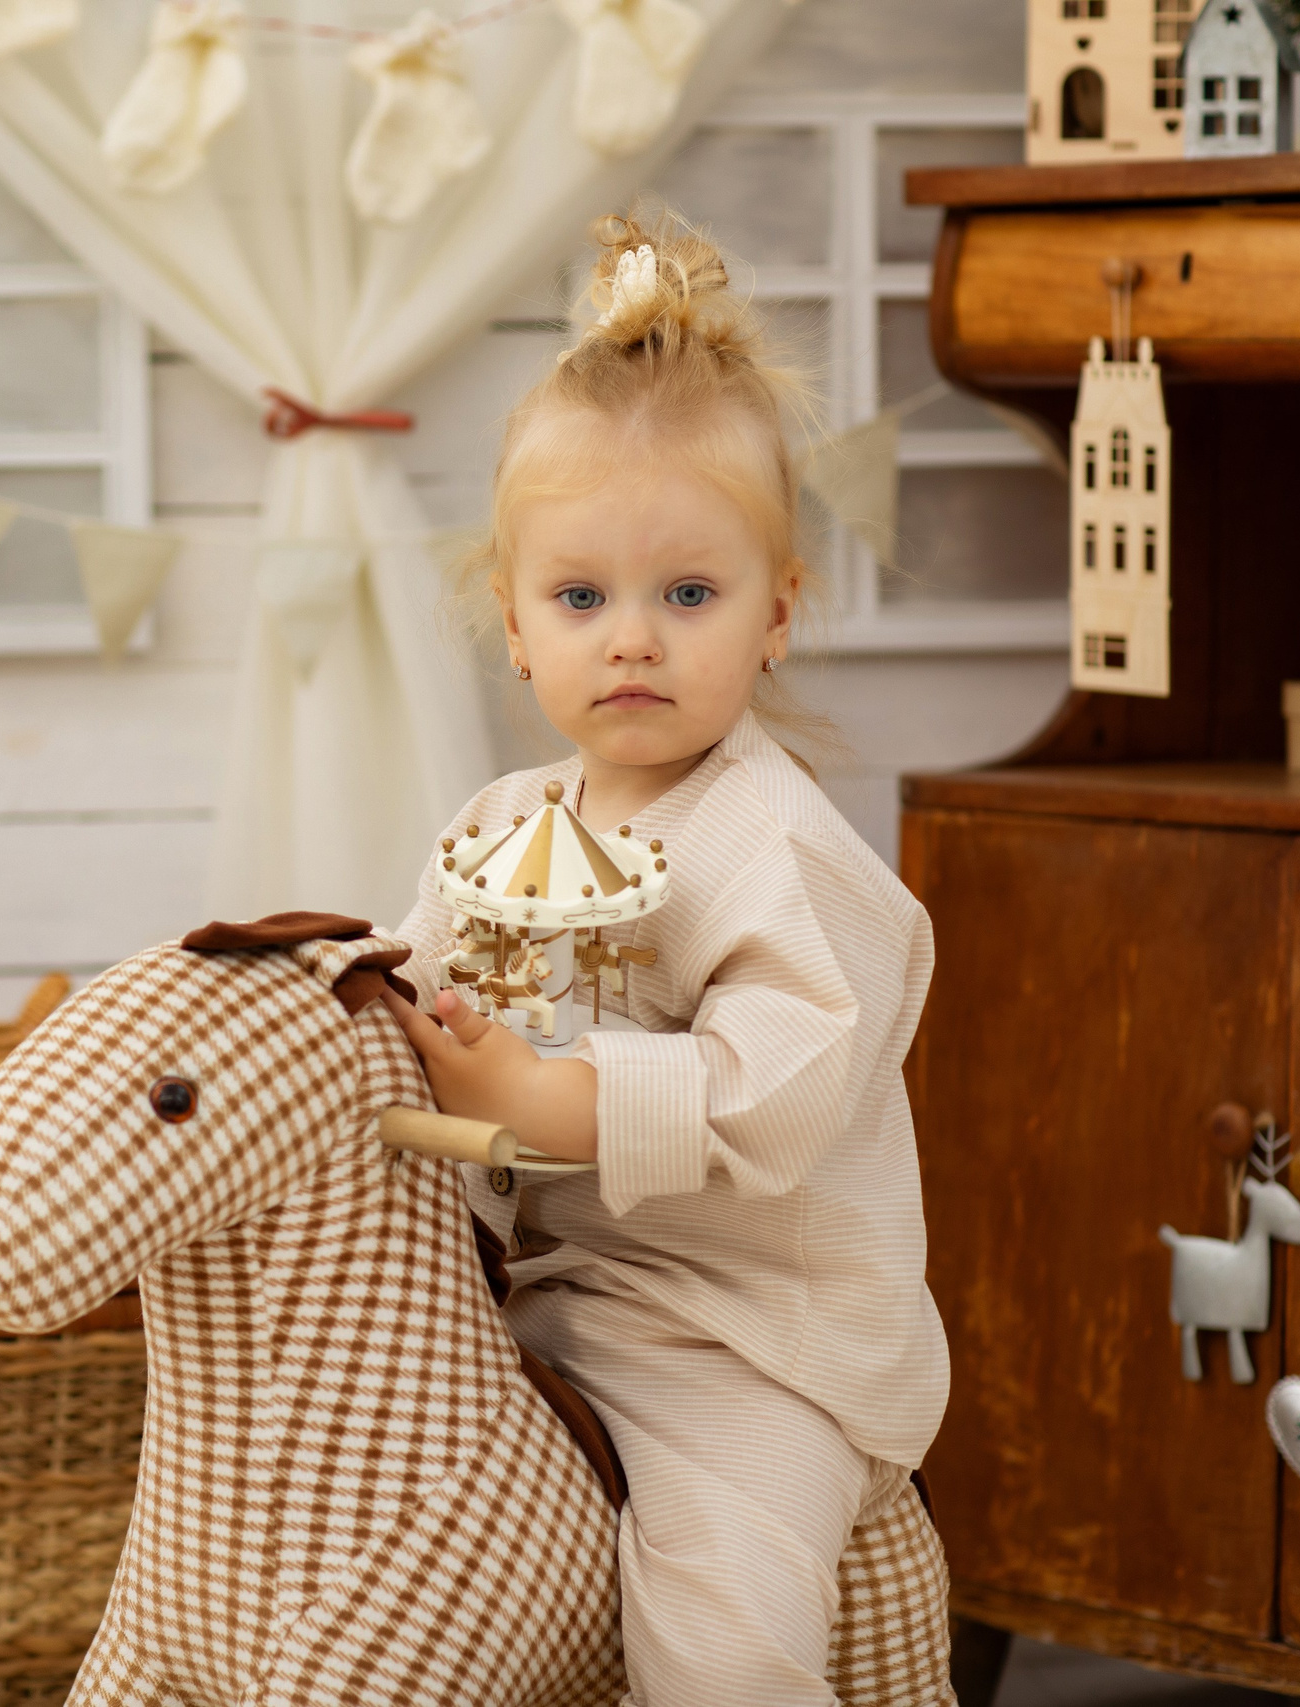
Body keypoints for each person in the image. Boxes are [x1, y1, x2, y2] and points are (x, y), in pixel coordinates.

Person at [379, 210, 949, 1707]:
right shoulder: (496, 826)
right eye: (581, 599)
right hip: (538, 1293)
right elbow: (419, 998)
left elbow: (782, 1089)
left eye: (688, 595)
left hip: (745, 1335)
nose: (632, 640)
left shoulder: (782, 848)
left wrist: (553, 1098)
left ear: (777, 614)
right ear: (514, 624)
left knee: (719, 1637)